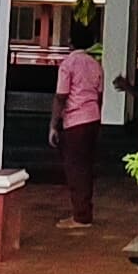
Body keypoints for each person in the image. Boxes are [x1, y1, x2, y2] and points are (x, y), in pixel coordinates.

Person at [49, 15, 105, 229]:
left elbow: (61, 96)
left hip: (75, 121)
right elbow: (100, 95)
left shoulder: (68, 63)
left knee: (75, 168)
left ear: (71, 41)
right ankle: (85, 210)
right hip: (92, 118)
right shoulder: (95, 64)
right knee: (87, 167)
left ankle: (80, 216)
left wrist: (53, 124)